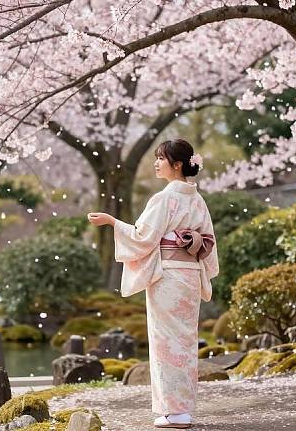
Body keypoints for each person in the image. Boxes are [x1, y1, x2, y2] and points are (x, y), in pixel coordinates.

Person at [87, 139, 219, 429]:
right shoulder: (197, 199)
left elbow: (142, 237)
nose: (156, 164)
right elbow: (208, 241)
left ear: (177, 165)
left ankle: (173, 412)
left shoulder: (164, 198)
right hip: (190, 276)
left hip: (168, 277)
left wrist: (112, 222)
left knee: (165, 342)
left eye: (161, 159)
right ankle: (183, 409)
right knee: (184, 341)